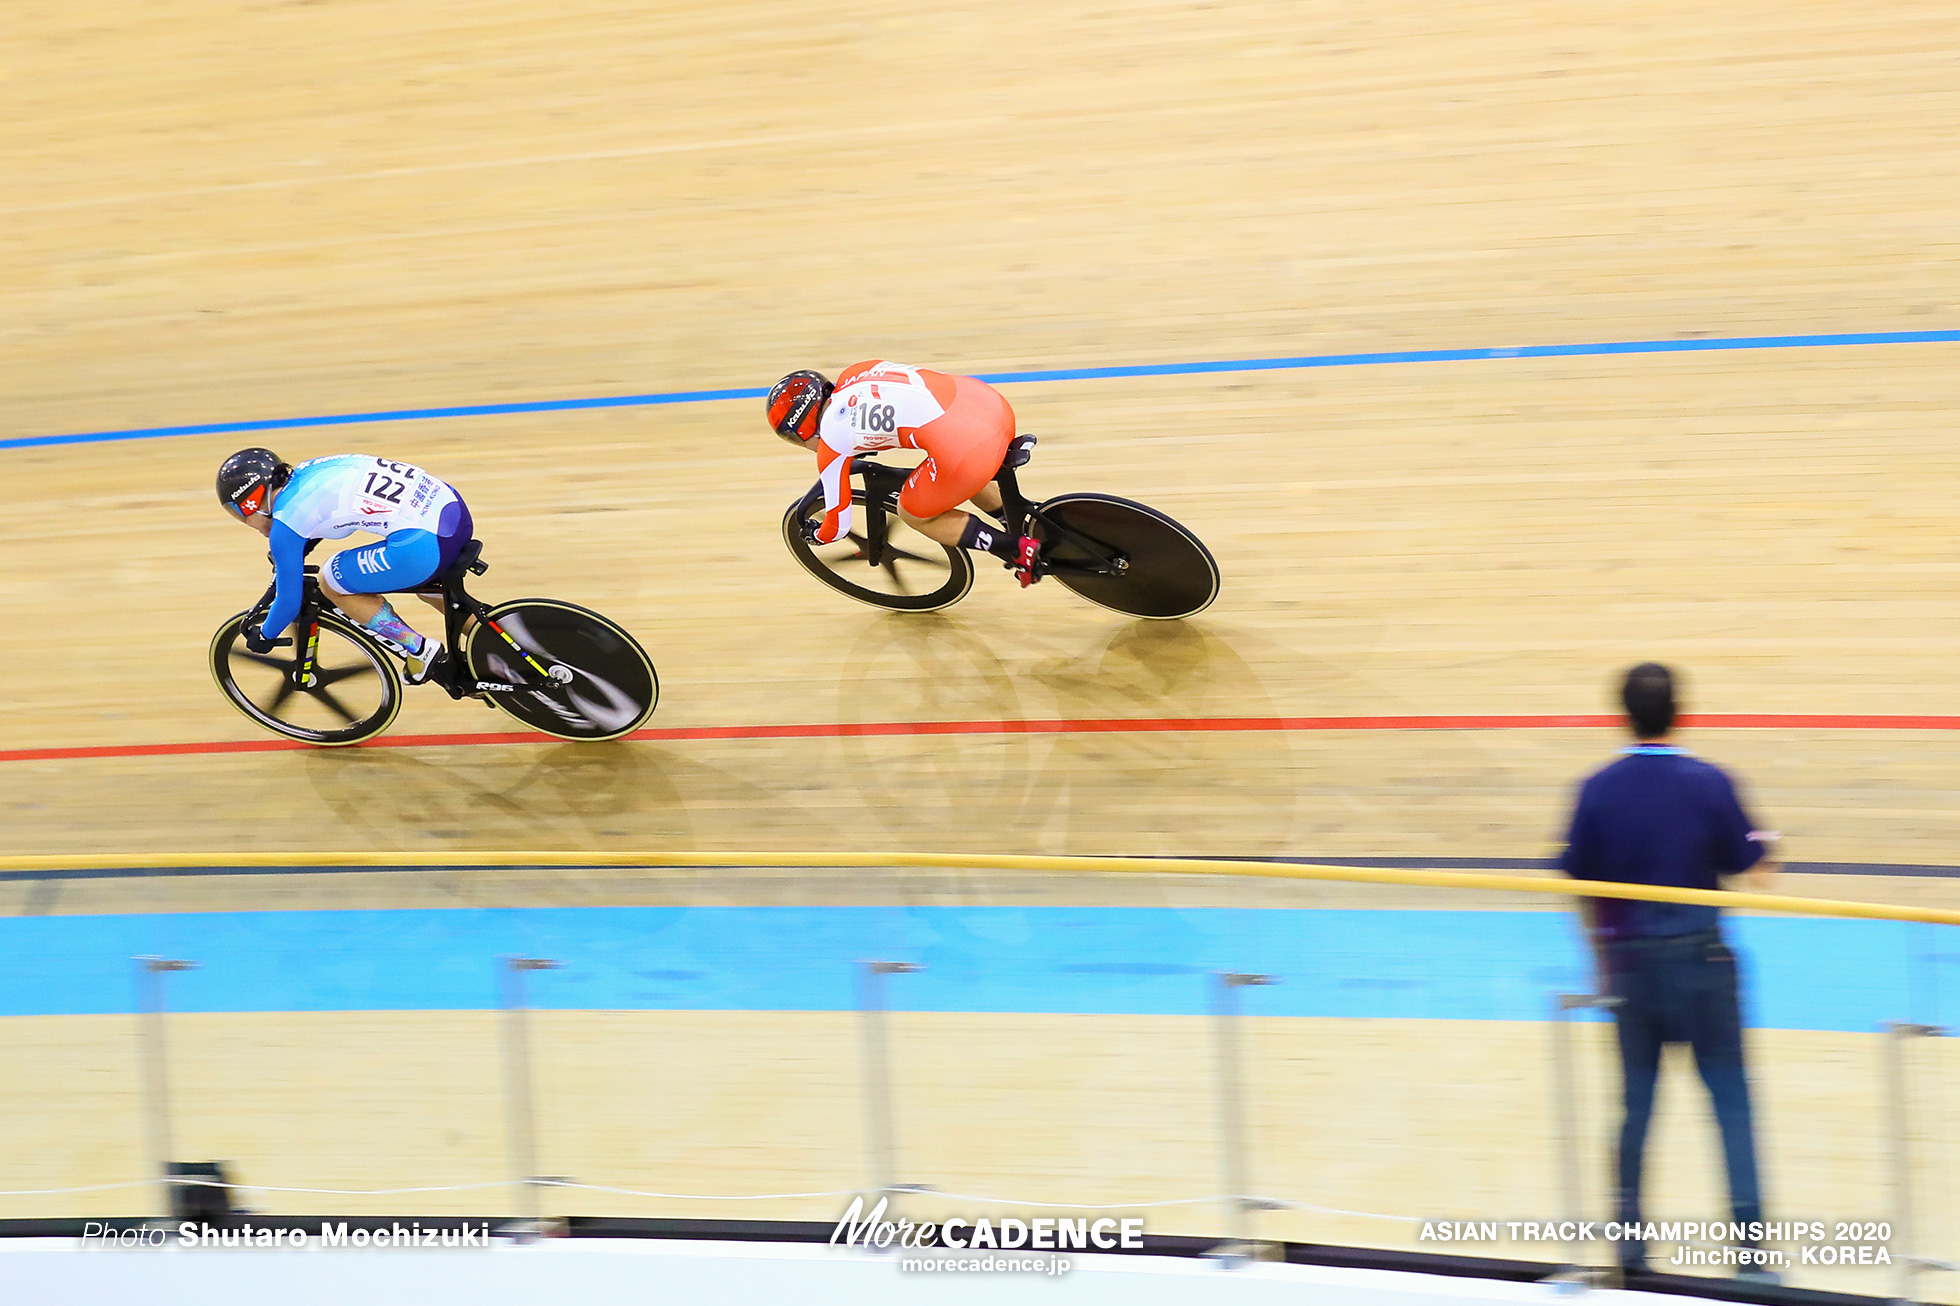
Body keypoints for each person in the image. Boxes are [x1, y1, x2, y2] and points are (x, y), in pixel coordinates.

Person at [1559, 663, 1781, 1283]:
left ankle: (1628, 1251)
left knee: (1634, 1109)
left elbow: (1577, 884)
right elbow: (1756, 864)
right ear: (1681, 712)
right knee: (1731, 1102)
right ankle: (1753, 1255)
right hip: (1702, 964)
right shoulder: (1710, 782)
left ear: (1622, 716)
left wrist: (1602, 963)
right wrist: (1766, 837)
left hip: (1630, 966)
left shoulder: (1596, 789)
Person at [767, 362, 1040, 585]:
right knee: (950, 468)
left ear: (802, 430)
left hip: (967, 446)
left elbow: (838, 526)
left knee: (912, 510)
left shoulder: (831, 441)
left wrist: (818, 536)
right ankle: (1018, 520)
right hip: (988, 403)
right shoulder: (855, 372)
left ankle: (1015, 548)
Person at [215, 448, 474, 684]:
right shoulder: (309, 470)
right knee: (432, 591)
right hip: (451, 510)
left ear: (249, 502)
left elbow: (289, 602)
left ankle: (418, 649)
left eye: (238, 514)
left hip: (423, 545)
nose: (243, 521)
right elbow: (327, 513)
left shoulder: (284, 527)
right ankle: (495, 645)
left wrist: (266, 635)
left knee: (331, 579)